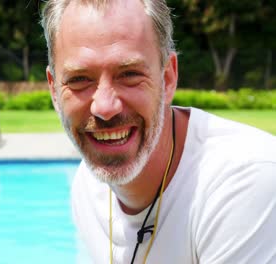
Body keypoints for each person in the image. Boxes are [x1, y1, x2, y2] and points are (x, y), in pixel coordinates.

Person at [40, 0, 276, 263]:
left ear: (168, 78)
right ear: (54, 90)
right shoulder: (87, 187)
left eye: (129, 74)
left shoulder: (246, 181)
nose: (105, 107)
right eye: (79, 79)